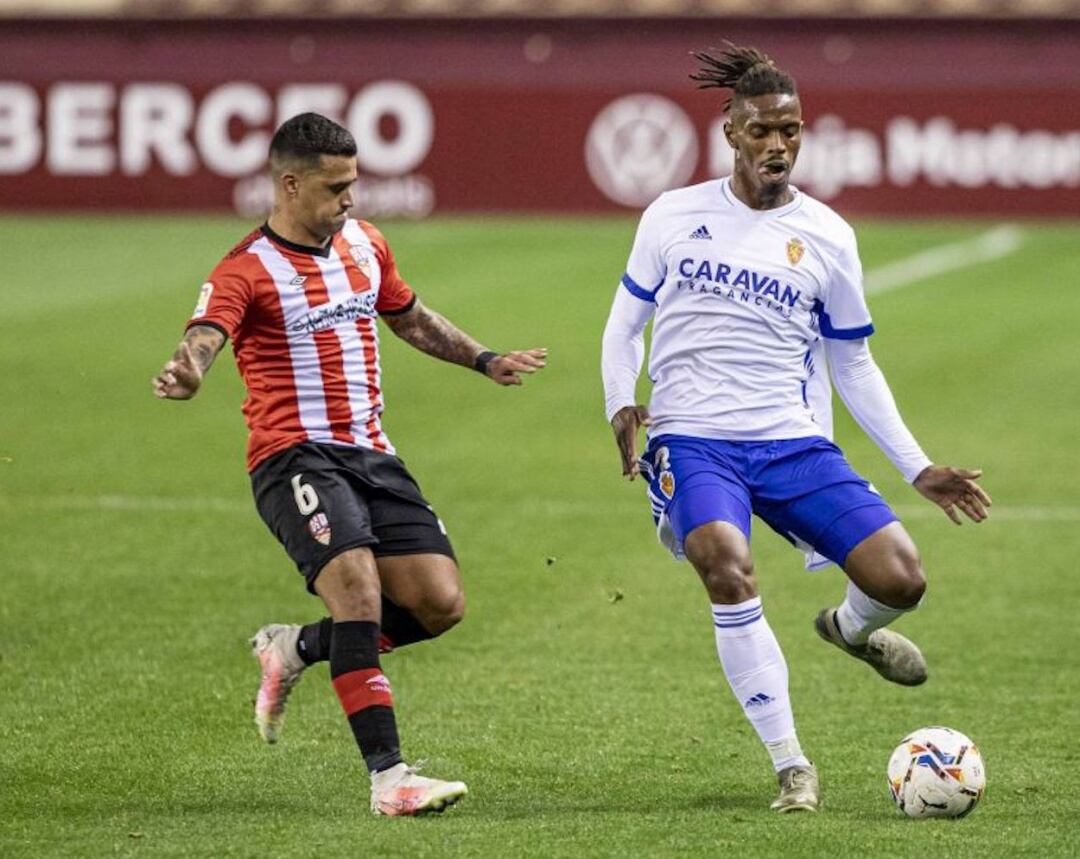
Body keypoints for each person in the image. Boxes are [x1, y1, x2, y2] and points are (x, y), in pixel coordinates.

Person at [600, 45, 991, 813]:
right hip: (693, 437)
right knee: (726, 562)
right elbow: (625, 325)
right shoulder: (672, 216)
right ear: (730, 132)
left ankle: (848, 629)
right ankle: (792, 765)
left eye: (791, 131)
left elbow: (854, 365)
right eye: (761, 131)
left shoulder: (829, 237)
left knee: (901, 579)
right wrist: (622, 399)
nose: (777, 145)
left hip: (791, 440)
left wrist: (916, 468)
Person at [153, 112, 546, 817]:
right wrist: (190, 369)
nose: (350, 200)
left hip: (372, 451)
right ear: (291, 184)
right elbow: (207, 331)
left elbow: (410, 316)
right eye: (336, 188)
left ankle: (296, 647)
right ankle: (389, 778)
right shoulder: (246, 268)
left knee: (438, 602)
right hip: (292, 457)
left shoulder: (365, 243)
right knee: (359, 594)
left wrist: (484, 358)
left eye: (355, 185)